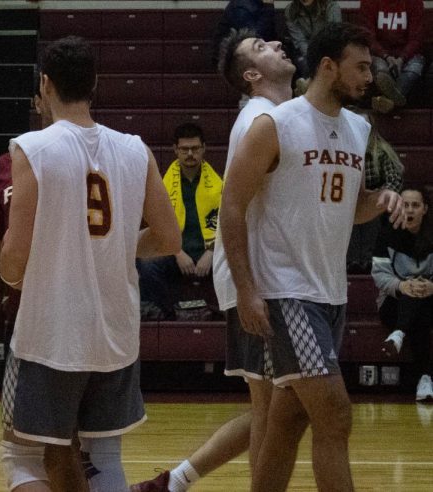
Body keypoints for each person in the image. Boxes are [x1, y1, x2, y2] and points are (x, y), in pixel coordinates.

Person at [221, 23, 404, 492]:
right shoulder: (274, 124)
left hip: (330, 290)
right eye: (360, 67)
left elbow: (353, 204)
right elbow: (232, 205)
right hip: (286, 291)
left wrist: (381, 199)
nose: (369, 77)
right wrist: (245, 288)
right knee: (335, 415)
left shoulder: (358, 128)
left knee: (288, 423)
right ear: (328, 66)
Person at [0, 36, 180, 492]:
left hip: (53, 334)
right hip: (115, 333)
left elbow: (13, 257)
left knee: (28, 456)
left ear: (45, 85)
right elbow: (169, 237)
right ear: (95, 83)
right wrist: (115, 247)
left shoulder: (32, 148)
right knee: (102, 457)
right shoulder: (136, 148)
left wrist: (12, 277)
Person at [133, 28, 306, 492]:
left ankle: (175, 481)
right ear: (251, 74)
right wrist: (248, 290)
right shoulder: (259, 119)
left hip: (264, 277)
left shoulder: (278, 114)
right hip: (257, 280)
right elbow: (231, 208)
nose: (276, 46)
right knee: (282, 407)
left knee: (278, 407)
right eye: (261, 47)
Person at [0, 77, 88, 492]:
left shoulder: (97, 154)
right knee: (57, 448)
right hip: (26, 322)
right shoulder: (8, 163)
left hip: (74, 318)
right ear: (37, 99)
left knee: (43, 451)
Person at [137, 123, 222, 320]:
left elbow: (226, 224)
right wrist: (177, 252)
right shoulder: (163, 186)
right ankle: (166, 314)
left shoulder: (219, 184)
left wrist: (211, 251)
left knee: (235, 259)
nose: (190, 153)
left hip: (209, 251)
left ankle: (224, 312)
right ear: (175, 150)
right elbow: (157, 226)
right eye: (184, 149)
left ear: (204, 149)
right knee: (147, 263)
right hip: (175, 250)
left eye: (195, 148)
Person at [372, 188, 433, 402]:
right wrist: (401, 286)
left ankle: (398, 334)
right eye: (405, 205)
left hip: (428, 300)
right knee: (419, 311)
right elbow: (379, 275)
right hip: (392, 304)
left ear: (425, 209)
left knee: (420, 301)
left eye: (415, 205)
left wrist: (431, 287)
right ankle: (425, 378)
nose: (409, 210)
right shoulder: (387, 234)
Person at [346, 109, 404, 273]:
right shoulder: (344, 149)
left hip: (375, 198)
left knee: (370, 213)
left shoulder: (382, 150)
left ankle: (367, 261)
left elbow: (395, 178)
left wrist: (383, 197)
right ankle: (351, 261)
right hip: (349, 200)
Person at [360, 0, 427, 112]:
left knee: (414, 69)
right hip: (379, 55)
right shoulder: (369, 2)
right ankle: (394, 100)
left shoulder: (415, 3)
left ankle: (388, 102)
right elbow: (368, 37)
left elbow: (416, 39)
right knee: (379, 69)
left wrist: (402, 58)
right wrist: (386, 56)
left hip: (409, 56)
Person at [284, 0, 341, 80]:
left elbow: (333, 37)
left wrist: (321, 58)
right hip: (305, 52)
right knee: (305, 64)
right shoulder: (291, 10)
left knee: (330, 65)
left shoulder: (331, 7)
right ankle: (309, 88)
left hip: (328, 50)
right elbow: (300, 41)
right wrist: (312, 57)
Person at [213, 1, 276, 65]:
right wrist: (268, 7)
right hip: (233, 61)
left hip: (249, 56)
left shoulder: (259, 4)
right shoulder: (241, 7)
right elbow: (255, 37)